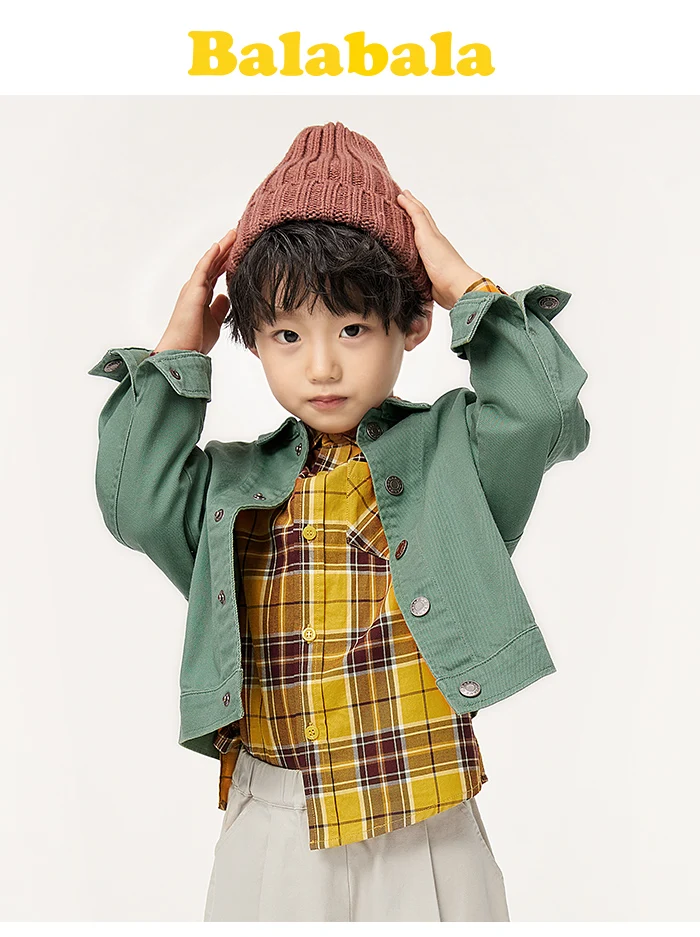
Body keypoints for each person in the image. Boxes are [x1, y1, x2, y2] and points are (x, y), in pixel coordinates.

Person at [88, 121, 590, 922]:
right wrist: (180, 351)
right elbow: (132, 497)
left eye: (353, 328)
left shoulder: (455, 455)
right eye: (287, 335)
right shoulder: (231, 484)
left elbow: (543, 409)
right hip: (274, 822)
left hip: (425, 816)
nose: (321, 366)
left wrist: (462, 284)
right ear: (254, 341)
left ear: (410, 325)